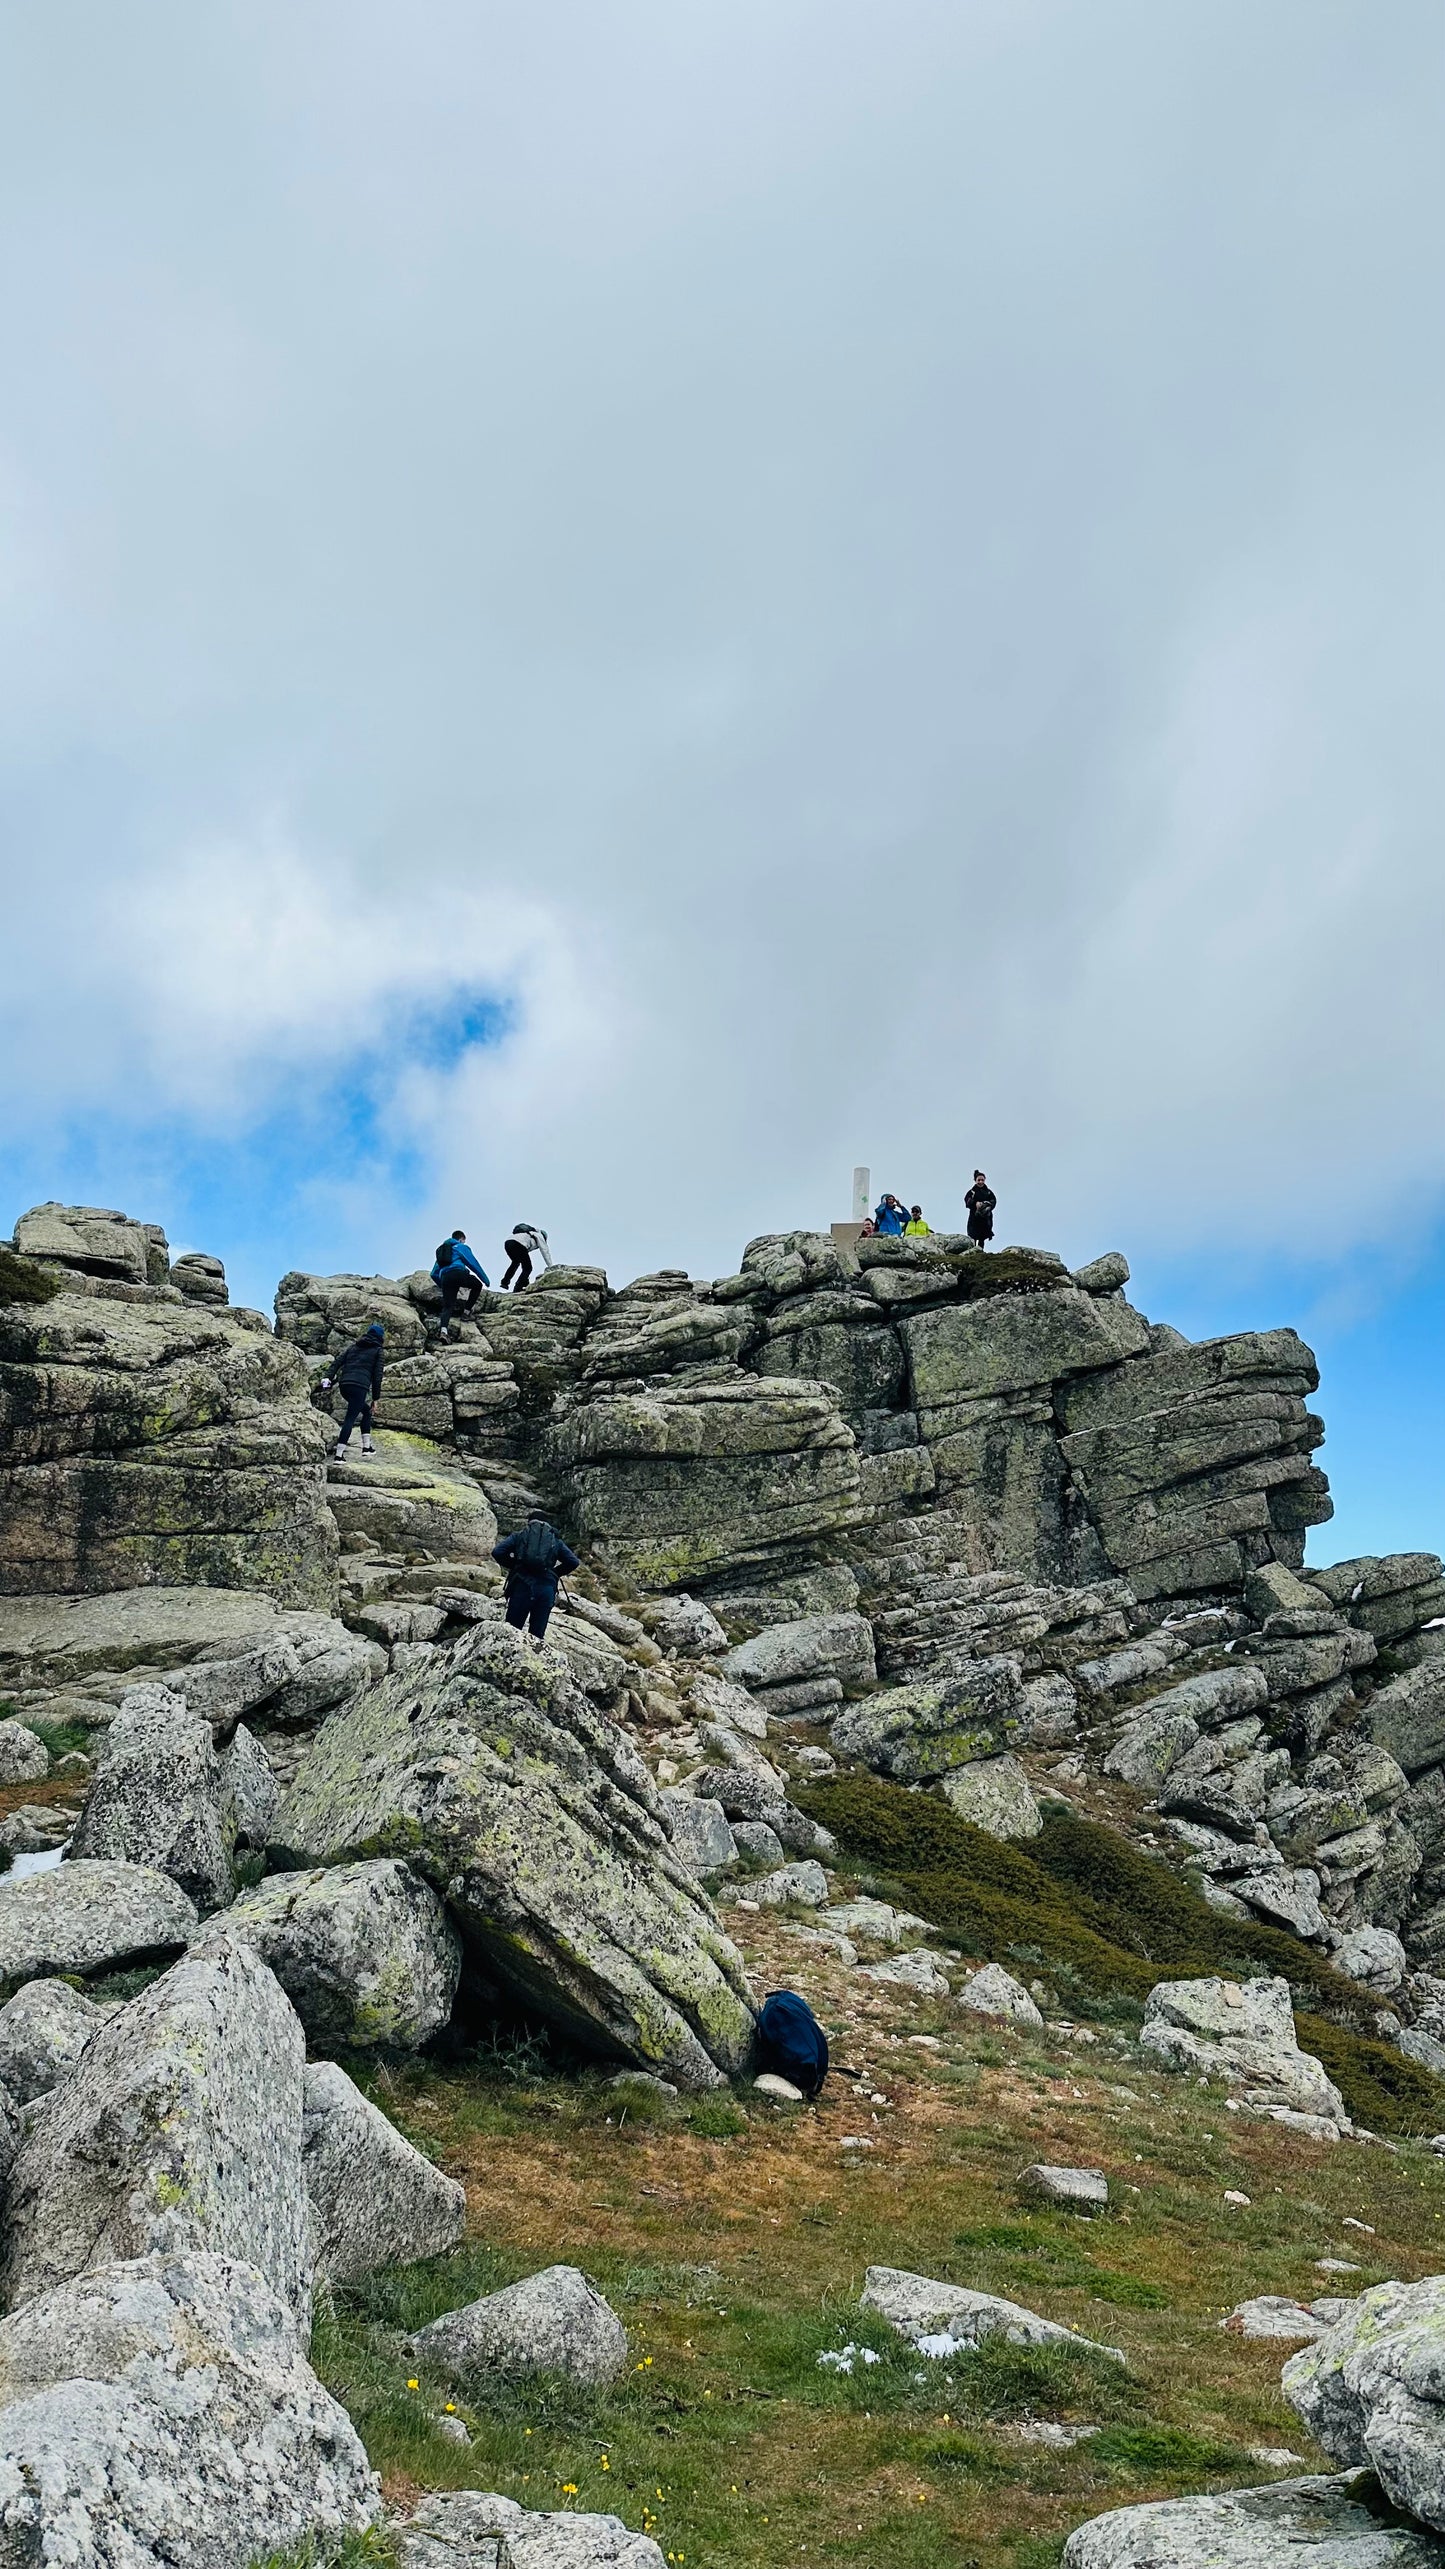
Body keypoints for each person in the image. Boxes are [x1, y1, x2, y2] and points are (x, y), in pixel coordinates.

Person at [492, 1508, 580, 1647]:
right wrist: (555, 1573)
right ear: (547, 1524)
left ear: (529, 1523)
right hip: (545, 1590)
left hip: (522, 1586)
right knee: (537, 1637)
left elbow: (497, 1552)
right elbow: (573, 1562)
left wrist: (515, 1565)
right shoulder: (555, 1540)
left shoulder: (520, 1535)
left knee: (511, 1633)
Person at [322, 1322, 384, 1459]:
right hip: (359, 1387)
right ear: (380, 1337)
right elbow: (377, 1376)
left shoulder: (353, 1347)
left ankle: (367, 1447)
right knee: (350, 1418)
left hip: (345, 1386)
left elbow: (337, 1362)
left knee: (366, 1412)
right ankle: (339, 1456)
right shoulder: (378, 1351)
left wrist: (327, 1377)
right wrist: (376, 1398)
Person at [431, 1231, 490, 1341]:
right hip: (458, 1273)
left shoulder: (444, 1250)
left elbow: (433, 1273)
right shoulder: (460, 1247)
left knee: (448, 1306)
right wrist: (485, 1280)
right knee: (477, 1285)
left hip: (445, 1278)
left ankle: (443, 1331)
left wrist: (442, 1285)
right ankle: (466, 1313)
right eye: (464, 1240)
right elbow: (472, 1263)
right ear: (461, 1239)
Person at [501, 1222, 552, 1292]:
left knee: (516, 1263)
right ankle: (518, 1287)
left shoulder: (527, 1234)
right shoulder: (539, 1235)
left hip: (508, 1242)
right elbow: (545, 1250)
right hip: (518, 1244)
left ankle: (505, 1282)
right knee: (528, 1268)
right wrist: (550, 1266)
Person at [965, 1171, 997, 1248]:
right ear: (975, 1180)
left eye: (982, 1180)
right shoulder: (972, 1192)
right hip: (974, 1218)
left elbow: (994, 1201)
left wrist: (987, 1206)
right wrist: (975, 1203)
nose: (980, 1182)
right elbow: (967, 1201)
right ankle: (972, 1252)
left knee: (982, 1238)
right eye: (979, 1180)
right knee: (973, 1236)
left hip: (985, 1218)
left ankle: (980, 1253)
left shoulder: (989, 1192)